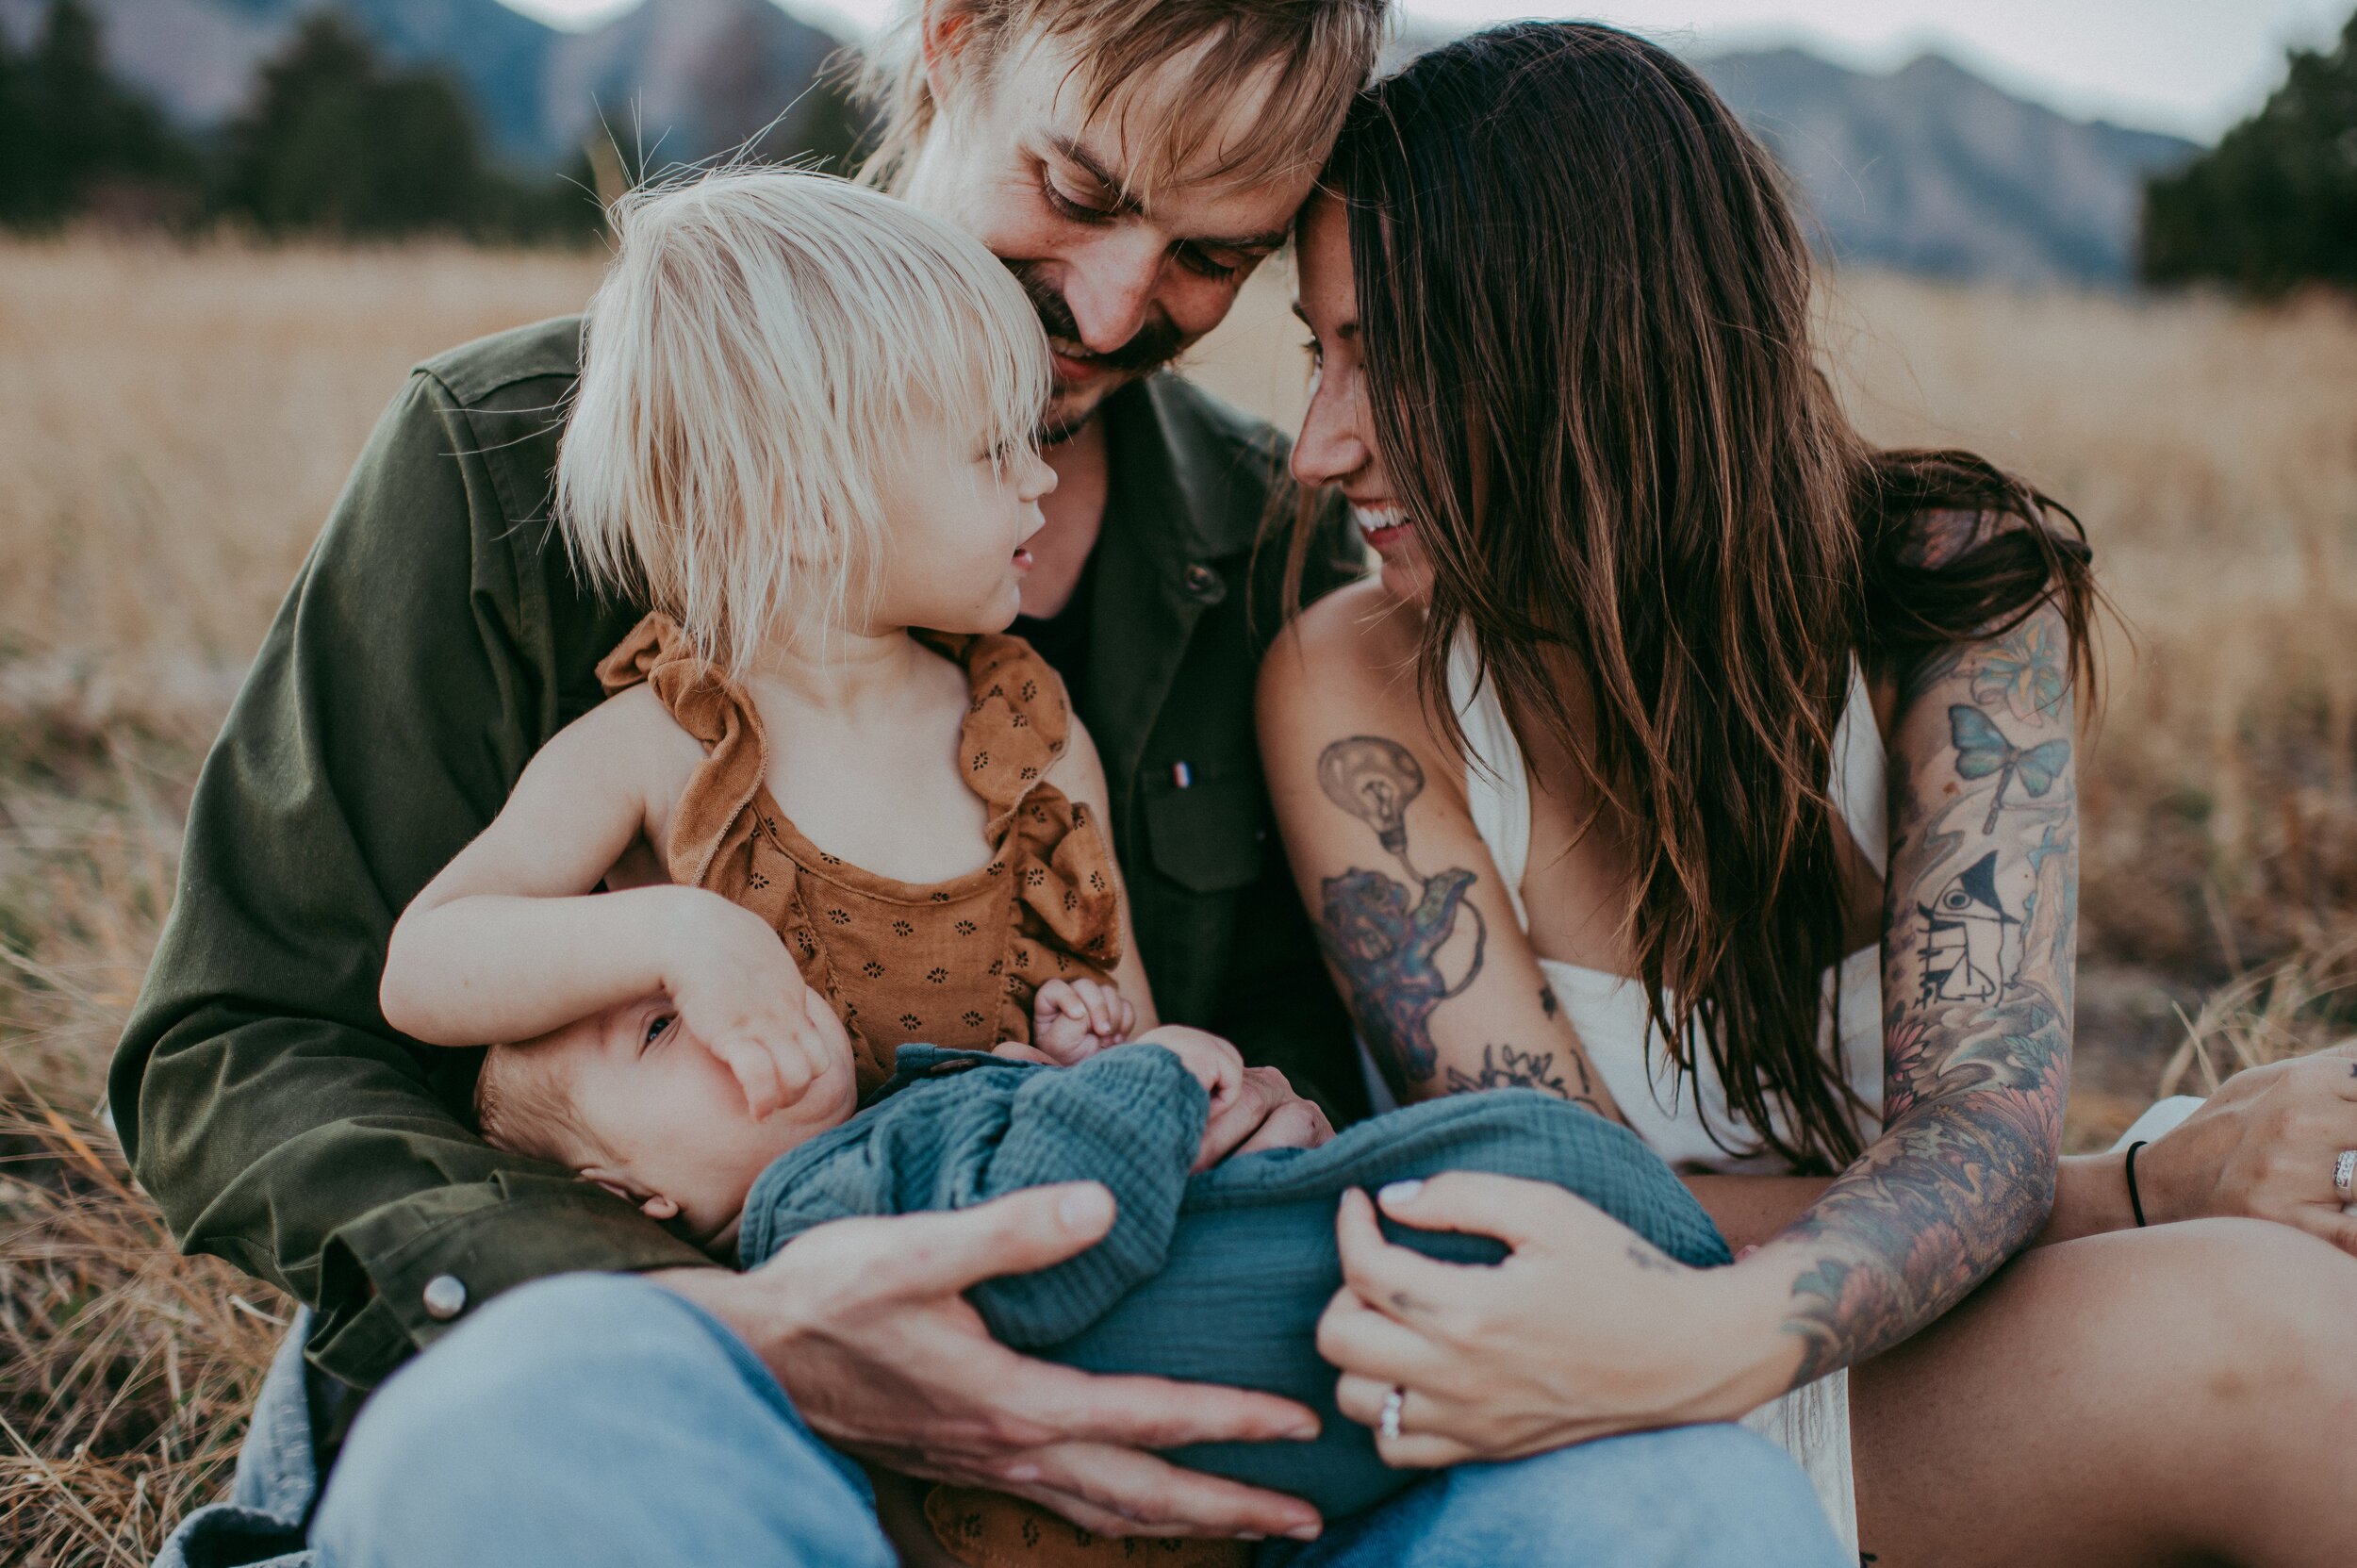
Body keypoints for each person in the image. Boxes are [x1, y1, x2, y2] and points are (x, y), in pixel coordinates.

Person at [125, 5, 1853, 1565]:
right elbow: (242, 1042)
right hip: (688, 1406)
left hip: (1180, 1451)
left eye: (1212, 256)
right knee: (517, 1446)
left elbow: (1327, 1050)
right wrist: (707, 1309)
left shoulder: (1275, 558)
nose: (1113, 310)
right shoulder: (509, 458)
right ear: (951, 42)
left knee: (1694, 1514)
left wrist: (1248, 1101)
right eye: (1081, 188)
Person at [1261, 22, 2357, 1567]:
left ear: (1584, 341)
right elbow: (1568, 1202)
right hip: (1600, 1388)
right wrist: (2147, 1182)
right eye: (1323, 352)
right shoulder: (1357, 689)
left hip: (1852, 1333)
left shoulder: (1944, 593)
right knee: (2286, 1341)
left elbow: (1977, 1120)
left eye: (1388, 357)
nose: (1319, 444)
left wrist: (1776, 1308)